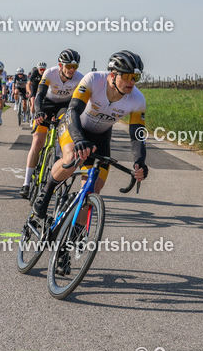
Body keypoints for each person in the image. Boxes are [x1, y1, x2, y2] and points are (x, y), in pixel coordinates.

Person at [30, 50, 148, 276]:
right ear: (113, 74)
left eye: (136, 78)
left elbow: (137, 134)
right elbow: (73, 110)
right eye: (128, 77)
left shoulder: (137, 99)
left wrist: (139, 162)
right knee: (71, 158)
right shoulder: (93, 80)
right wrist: (78, 140)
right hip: (75, 127)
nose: (132, 82)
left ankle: (64, 249)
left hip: (101, 138)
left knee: (93, 190)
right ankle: (44, 195)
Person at [19, 50, 83, 198]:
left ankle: (57, 177)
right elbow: (40, 94)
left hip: (64, 106)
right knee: (37, 141)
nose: (72, 69)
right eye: (68, 66)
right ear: (61, 65)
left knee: (64, 141)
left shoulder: (80, 78)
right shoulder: (50, 73)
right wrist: (39, 111)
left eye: (75, 66)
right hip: (47, 104)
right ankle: (26, 183)